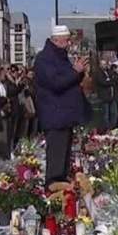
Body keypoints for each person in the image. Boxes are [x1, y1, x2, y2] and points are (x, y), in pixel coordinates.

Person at [33, 25, 88, 189]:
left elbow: (68, 80)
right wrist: (75, 71)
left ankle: (61, 186)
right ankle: (53, 188)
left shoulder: (60, 57)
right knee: (56, 157)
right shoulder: (45, 59)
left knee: (63, 155)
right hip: (55, 114)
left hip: (64, 115)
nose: (69, 42)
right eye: (66, 39)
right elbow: (56, 83)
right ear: (56, 40)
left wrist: (79, 72)